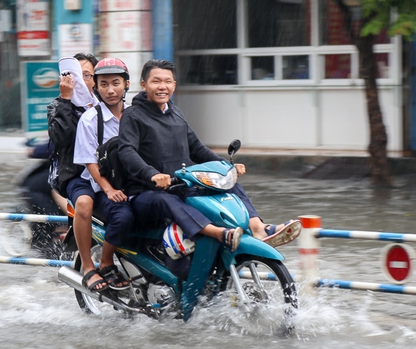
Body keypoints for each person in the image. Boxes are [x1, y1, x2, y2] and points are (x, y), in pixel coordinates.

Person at [117, 59, 300, 250]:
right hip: (147, 193)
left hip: (182, 186)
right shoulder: (133, 115)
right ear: (144, 84)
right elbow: (126, 151)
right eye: (156, 81)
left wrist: (226, 168)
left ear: (174, 85)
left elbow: (197, 148)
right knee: (165, 199)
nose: (162, 87)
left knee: (230, 183)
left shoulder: (176, 113)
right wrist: (152, 174)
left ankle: (258, 227)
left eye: (168, 81)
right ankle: (219, 233)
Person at [72, 58, 133, 292]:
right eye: (104, 84)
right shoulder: (90, 120)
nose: (110, 90)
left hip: (131, 182)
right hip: (100, 187)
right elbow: (89, 161)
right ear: (95, 87)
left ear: (126, 84)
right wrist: (108, 189)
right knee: (122, 215)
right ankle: (101, 263)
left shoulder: (135, 115)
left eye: (116, 83)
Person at [47, 53, 106, 290]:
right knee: (84, 204)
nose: (81, 80)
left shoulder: (108, 103)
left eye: (87, 75)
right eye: (75, 75)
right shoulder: (58, 106)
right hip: (75, 175)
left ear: (95, 80)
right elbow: (61, 139)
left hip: (109, 173)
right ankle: (89, 267)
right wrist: (66, 100)